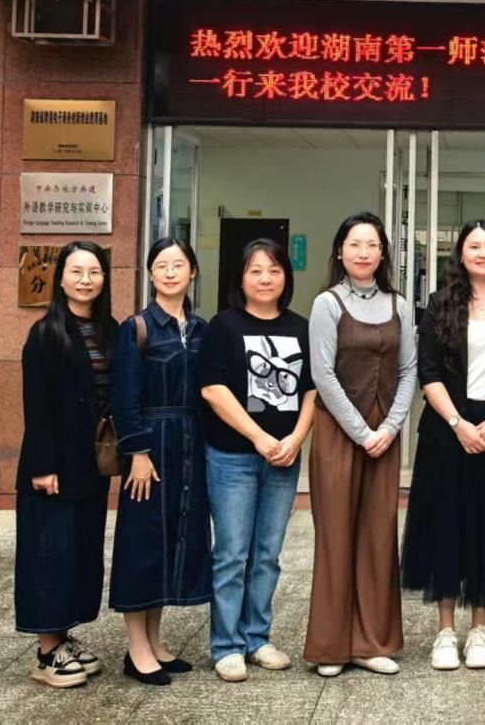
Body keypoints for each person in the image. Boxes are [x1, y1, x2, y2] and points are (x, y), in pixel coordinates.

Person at [401, 220, 485, 671]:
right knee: (446, 527)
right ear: (460, 253)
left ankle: (479, 630)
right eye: (474, 246)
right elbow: (429, 372)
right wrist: (459, 424)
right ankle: (445, 631)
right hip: (446, 434)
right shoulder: (439, 304)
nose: (482, 253)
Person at [199, 238, 317, 682]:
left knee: (268, 554)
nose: (265, 278)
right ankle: (226, 645)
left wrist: (296, 438)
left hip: (283, 460)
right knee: (231, 553)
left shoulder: (301, 327)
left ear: (286, 277)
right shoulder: (223, 326)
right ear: (241, 278)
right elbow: (213, 390)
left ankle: (256, 637)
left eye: (274, 270)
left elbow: (311, 390)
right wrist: (260, 437)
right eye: (255, 270)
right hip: (232, 458)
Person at [304, 212, 416, 677]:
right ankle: (331, 647)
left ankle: (372, 643)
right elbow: (322, 375)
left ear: (383, 253)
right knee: (335, 537)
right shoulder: (327, 303)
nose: (363, 252)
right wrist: (363, 432)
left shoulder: (399, 305)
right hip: (338, 432)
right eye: (354, 244)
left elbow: (409, 370)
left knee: (377, 537)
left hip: (384, 434)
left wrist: (389, 427)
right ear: (340, 250)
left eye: (372, 245)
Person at [110, 237, 210, 686]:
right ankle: (136, 649)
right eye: (161, 266)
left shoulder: (202, 329)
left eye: (178, 265)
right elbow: (124, 399)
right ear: (150, 274)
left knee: (174, 540)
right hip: (152, 446)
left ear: (192, 272)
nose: (170, 273)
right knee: (142, 543)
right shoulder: (136, 328)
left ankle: (154, 639)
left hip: (190, 445)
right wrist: (137, 452)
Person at [15, 241, 116, 688]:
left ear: (104, 278)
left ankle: (63, 636)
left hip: (90, 463)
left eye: (93, 272)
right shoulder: (45, 333)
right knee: (48, 554)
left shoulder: (110, 330)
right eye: (76, 271)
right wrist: (42, 466)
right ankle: (45, 651)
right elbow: (35, 405)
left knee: (78, 551)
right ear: (60, 279)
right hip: (52, 464)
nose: (85, 280)